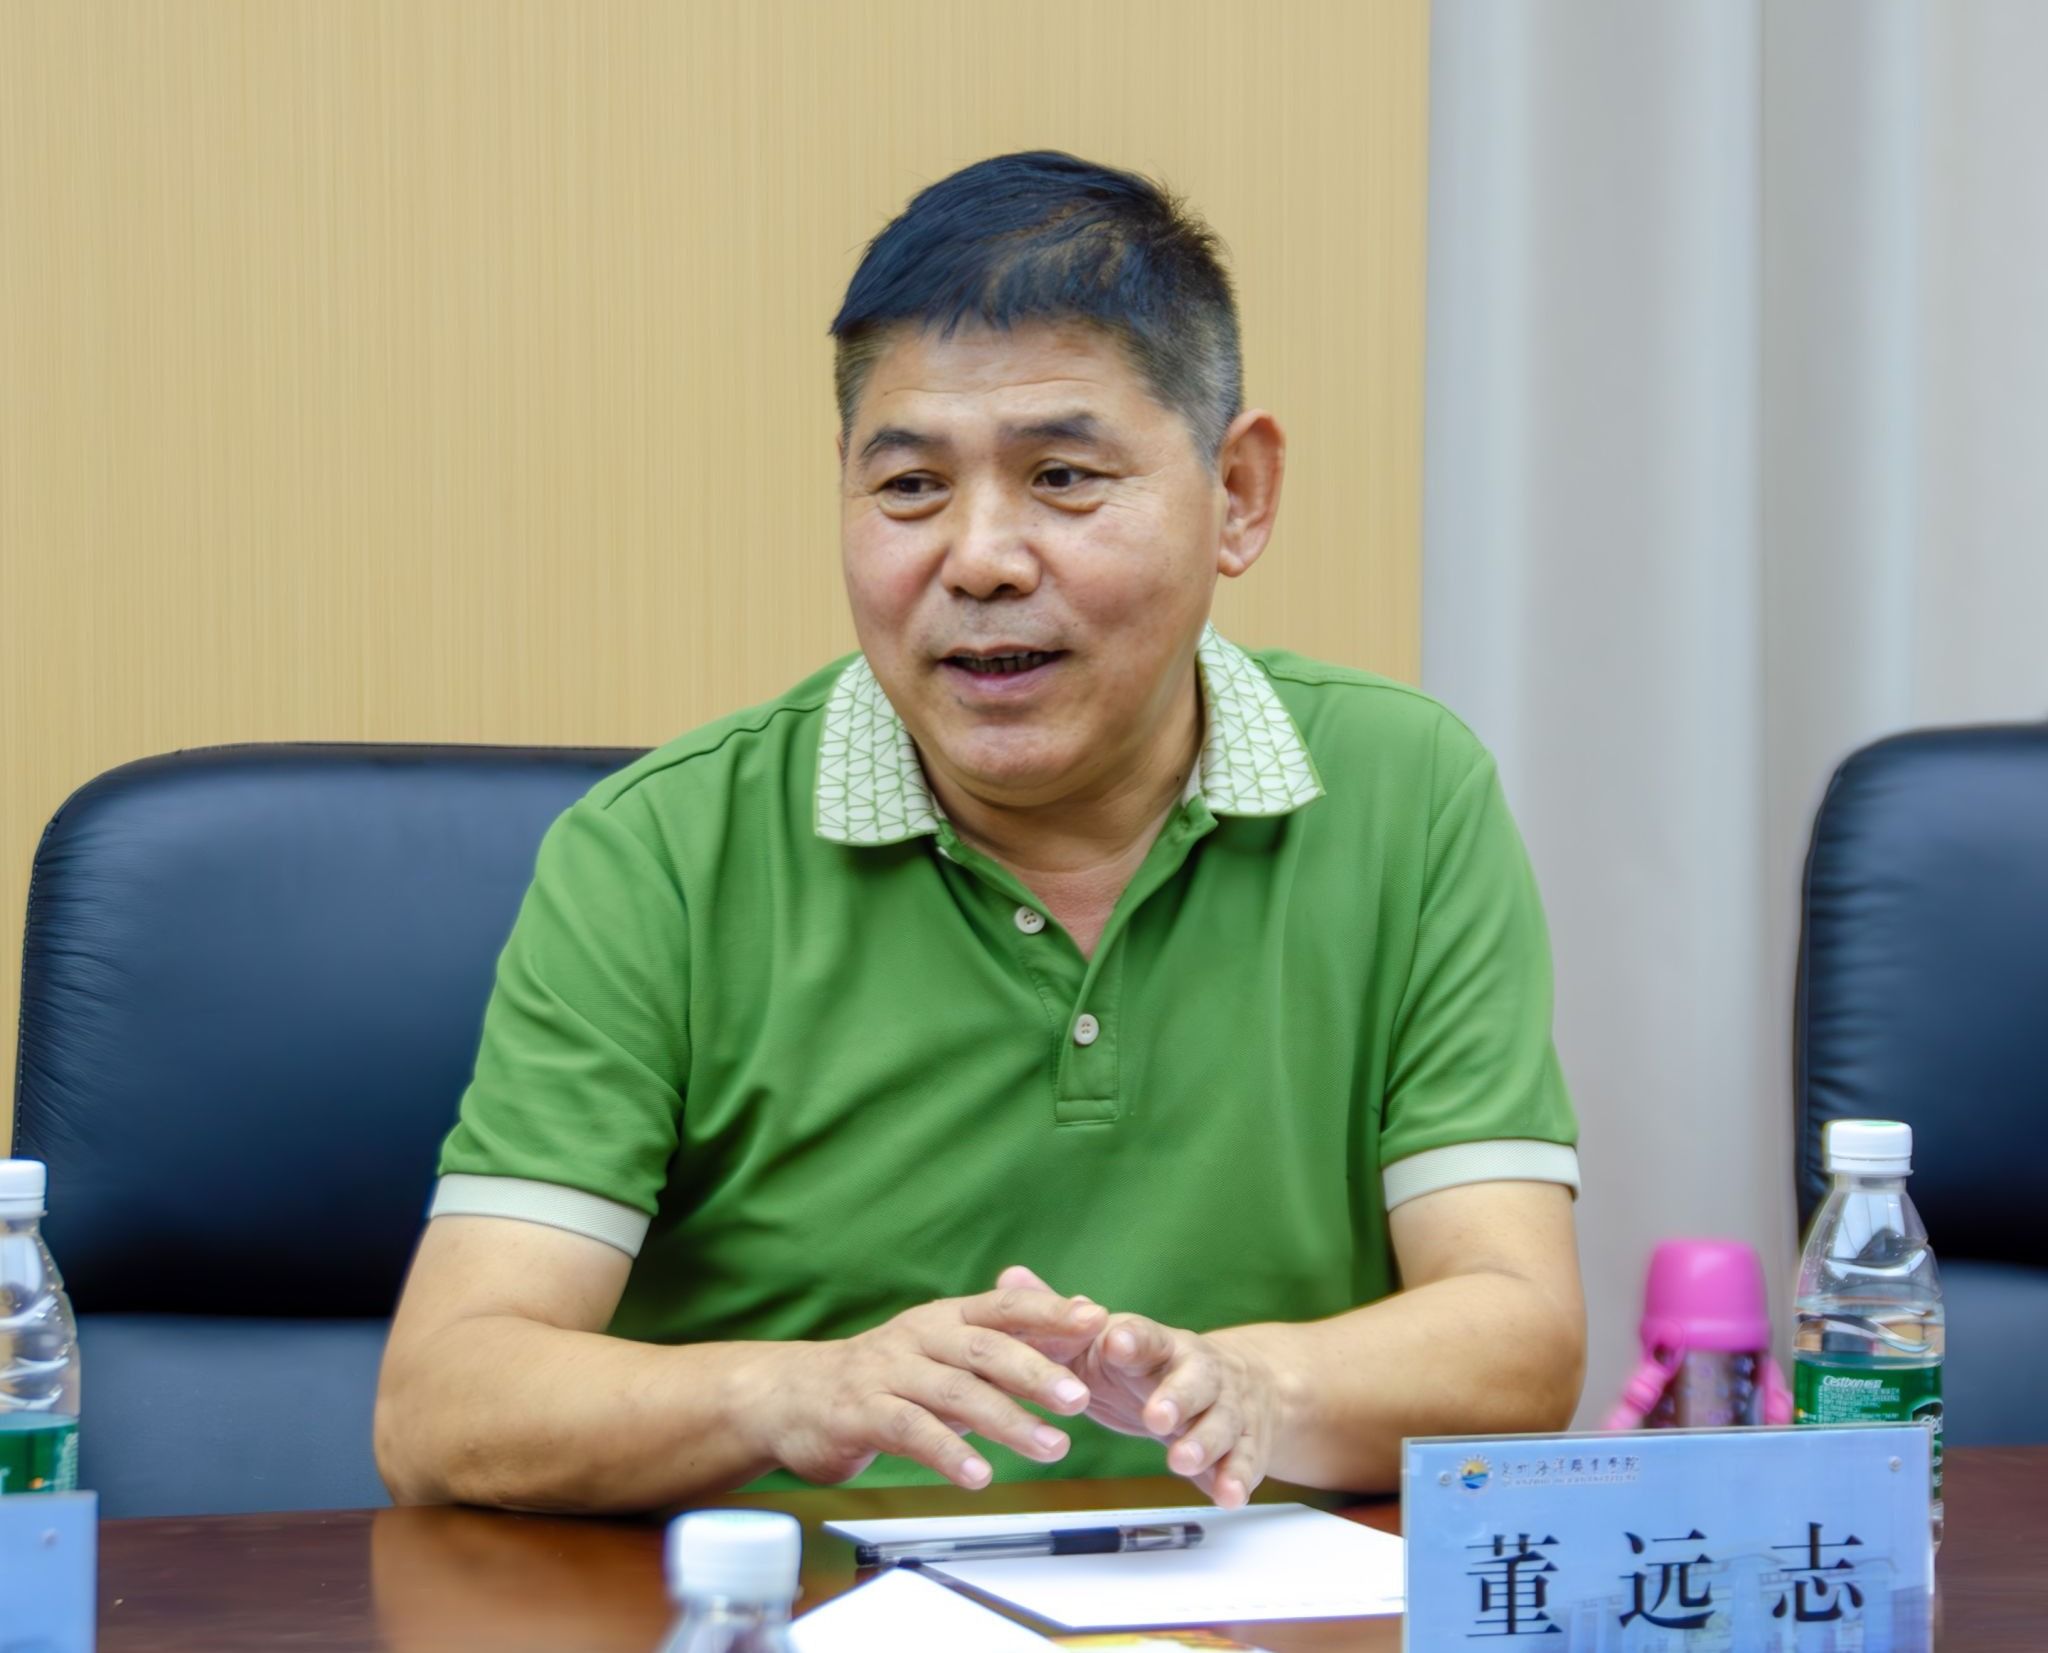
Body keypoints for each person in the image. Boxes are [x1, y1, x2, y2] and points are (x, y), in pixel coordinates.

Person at [374, 150, 1585, 1516]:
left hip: (1247, 1600)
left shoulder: (1405, 793)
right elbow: (444, 1402)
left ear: (1238, 494)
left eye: (1062, 476)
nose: (981, 559)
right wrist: (794, 1393)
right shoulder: (659, 854)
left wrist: (1256, 1385)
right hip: (814, 1602)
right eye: (909, 489)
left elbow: (1519, 1332)